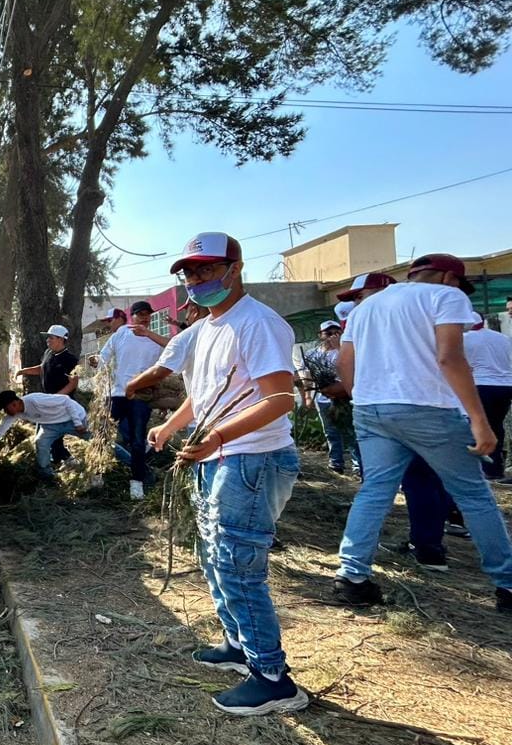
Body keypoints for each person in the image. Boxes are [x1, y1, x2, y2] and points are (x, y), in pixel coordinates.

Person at [149, 233, 308, 716]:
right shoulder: (212, 325)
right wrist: (171, 426)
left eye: (206, 270)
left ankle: (273, 677)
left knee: (238, 563)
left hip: (251, 459)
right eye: (190, 273)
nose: (196, 281)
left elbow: (280, 399)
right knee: (216, 555)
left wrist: (217, 439)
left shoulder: (258, 323)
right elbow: (205, 396)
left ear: (235, 269)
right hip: (218, 458)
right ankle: (238, 645)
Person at [332, 254, 512, 612]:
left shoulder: (365, 308)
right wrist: (479, 419)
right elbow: (450, 358)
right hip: (428, 407)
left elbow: (345, 366)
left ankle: (352, 576)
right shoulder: (445, 297)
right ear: (449, 277)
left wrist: (362, 398)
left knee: (374, 492)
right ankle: (506, 583)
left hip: (371, 410)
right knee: (473, 494)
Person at [95, 301, 167, 499]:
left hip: (140, 397)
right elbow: (104, 356)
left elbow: (173, 351)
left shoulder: (156, 340)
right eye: (141, 314)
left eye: (148, 314)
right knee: (103, 435)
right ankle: (97, 474)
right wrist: (98, 369)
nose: (145, 317)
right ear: (132, 316)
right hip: (116, 395)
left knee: (137, 442)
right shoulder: (121, 333)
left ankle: (136, 483)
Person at [299, 319, 360, 476]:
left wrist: (339, 347)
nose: (332, 336)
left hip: (344, 398)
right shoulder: (312, 354)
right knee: (330, 431)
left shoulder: (345, 350)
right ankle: (336, 463)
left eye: (336, 333)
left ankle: (358, 466)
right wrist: (308, 397)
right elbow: (307, 376)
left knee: (350, 431)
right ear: (320, 335)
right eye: (328, 333)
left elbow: (351, 367)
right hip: (324, 399)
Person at [0, 390, 88, 480]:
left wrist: (77, 423)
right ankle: (47, 475)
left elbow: (66, 400)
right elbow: (0, 431)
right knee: (41, 442)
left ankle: (101, 461)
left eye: (6, 408)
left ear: (14, 403)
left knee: (92, 437)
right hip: (50, 425)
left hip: (73, 418)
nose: (5, 412)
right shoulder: (14, 414)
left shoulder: (34, 400)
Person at [16, 323, 80, 466]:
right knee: (47, 433)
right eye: (48, 338)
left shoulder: (70, 360)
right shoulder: (48, 353)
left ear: (61, 339)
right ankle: (57, 459)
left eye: (51, 337)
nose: (48, 340)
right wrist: (24, 371)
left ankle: (64, 459)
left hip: (61, 403)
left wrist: (57, 397)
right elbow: (42, 368)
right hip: (48, 401)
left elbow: (73, 382)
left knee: (52, 434)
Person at [125, 299, 209, 397]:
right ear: (132, 317)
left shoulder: (187, 336)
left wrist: (130, 386)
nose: (186, 316)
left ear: (194, 311)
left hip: (203, 401)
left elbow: (159, 372)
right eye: (140, 314)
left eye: (187, 310)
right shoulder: (221, 329)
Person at [464, 319, 512, 483]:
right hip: (505, 386)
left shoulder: (465, 338)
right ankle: (495, 469)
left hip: (481, 385)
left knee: (476, 426)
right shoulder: (501, 338)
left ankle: (479, 470)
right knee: (496, 426)